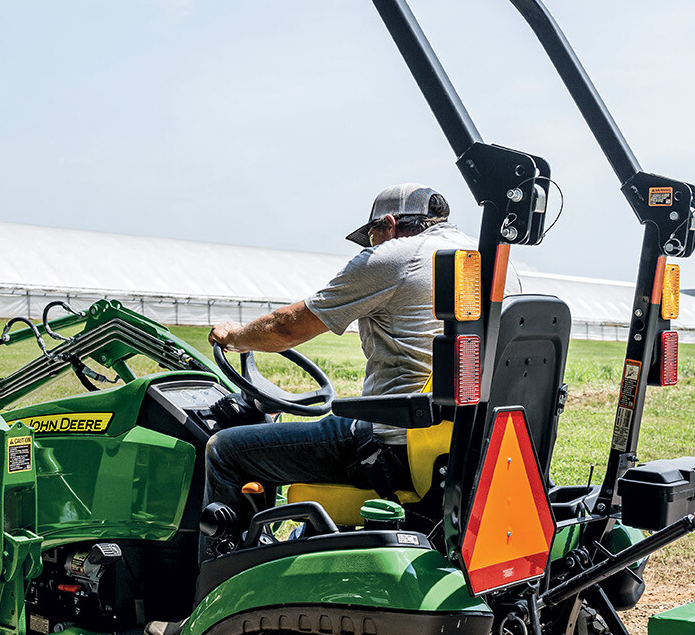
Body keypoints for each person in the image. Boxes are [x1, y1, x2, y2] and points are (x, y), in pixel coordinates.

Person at [203, 183, 510, 540]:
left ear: (389, 225)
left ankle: (216, 582)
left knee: (224, 449)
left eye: (371, 236)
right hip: (469, 443)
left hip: (389, 443)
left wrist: (234, 337)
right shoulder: (488, 258)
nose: (371, 246)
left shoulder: (396, 257)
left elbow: (286, 329)